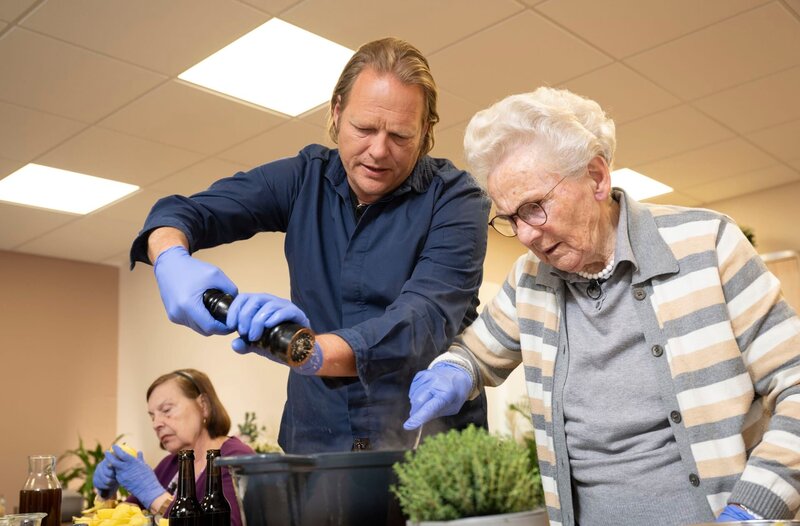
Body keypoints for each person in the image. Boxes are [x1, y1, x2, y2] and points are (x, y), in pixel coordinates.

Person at [402, 87, 800, 525]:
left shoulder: (708, 245)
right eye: (510, 218)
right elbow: (477, 353)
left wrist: (754, 506)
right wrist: (455, 369)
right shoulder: (529, 280)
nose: (526, 235)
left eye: (534, 207)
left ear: (596, 177)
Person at [129, 37, 489, 454]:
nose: (378, 150)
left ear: (426, 131)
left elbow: (421, 318)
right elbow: (188, 213)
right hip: (317, 439)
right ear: (336, 112)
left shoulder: (457, 199)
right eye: (364, 128)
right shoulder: (304, 179)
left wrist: (308, 351)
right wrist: (170, 256)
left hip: (428, 443)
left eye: (400, 136)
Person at [93, 369, 254, 525]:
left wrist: (156, 497)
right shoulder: (169, 465)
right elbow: (127, 517)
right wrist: (106, 496)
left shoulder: (236, 457)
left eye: (166, 410)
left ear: (203, 405)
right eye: (152, 416)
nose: (156, 424)